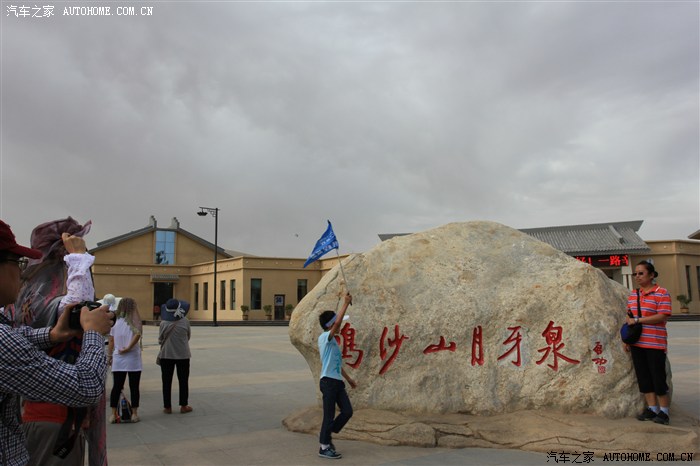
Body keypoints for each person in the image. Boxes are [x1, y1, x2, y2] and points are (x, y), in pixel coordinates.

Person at [0, 219, 113, 466]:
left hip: (36, 417)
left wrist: (52, 335)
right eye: (17, 262)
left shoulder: (26, 300)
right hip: (52, 419)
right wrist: (93, 331)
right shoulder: (44, 296)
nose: (22, 272)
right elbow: (87, 386)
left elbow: (16, 338)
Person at [625, 260, 672, 425]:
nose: (637, 276)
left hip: (655, 343)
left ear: (651, 275)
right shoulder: (634, 295)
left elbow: (662, 316)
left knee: (658, 377)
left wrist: (639, 320)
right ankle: (652, 408)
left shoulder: (661, 293)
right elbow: (629, 316)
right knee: (644, 377)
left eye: (641, 273)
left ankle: (664, 411)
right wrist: (626, 338)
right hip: (637, 343)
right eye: (635, 274)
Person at [317, 293, 356, 460]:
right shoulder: (325, 338)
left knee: (347, 411)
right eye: (337, 323)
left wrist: (349, 379)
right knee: (329, 415)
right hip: (328, 382)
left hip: (337, 382)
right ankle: (324, 447)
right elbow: (337, 323)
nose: (340, 325)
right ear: (331, 325)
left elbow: (337, 365)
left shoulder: (333, 342)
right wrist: (345, 303)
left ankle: (327, 432)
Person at [108, 297, 143, 423]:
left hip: (118, 356)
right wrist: (128, 348)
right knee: (134, 386)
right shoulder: (134, 321)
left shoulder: (115, 321)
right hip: (133, 356)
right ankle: (134, 413)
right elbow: (138, 334)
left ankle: (113, 414)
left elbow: (111, 340)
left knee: (117, 386)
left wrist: (110, 356)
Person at [159, 298, 193, 414]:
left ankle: (167, 407)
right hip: (183, 355)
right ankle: (184, 405)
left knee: (166, 381)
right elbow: (188, 336)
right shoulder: (185, 321)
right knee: (183, 380)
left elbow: (160, 339)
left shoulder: (163, 323)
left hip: (166, 355)